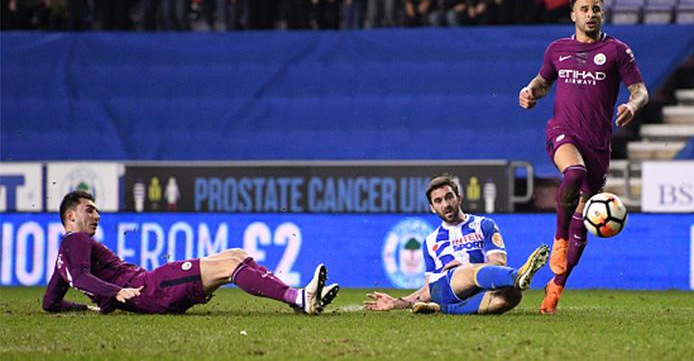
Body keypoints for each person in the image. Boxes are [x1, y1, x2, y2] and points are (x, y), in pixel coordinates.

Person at [518, 0, 649, 315]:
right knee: (573, 173)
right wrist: (529, 92)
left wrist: (632, 106)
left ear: (602, 13)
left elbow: (640, 91)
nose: (591, 14)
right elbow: (542, 82)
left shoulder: (617, 51)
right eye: (585, 9)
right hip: (563, 132)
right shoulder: (557, 50)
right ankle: (558, 240)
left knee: (584, 216)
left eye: (596, 9)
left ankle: (557, 286)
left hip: (598, 145)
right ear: (573, 15)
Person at [43, 190, 339, 315]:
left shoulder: (63, 256)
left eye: (96, 209)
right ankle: (300, 298)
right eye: (88, 210)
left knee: (236, 254)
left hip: (149, 288)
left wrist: (88, 307)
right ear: (70, 217)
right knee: (229, 267)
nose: (97, 215)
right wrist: (117, 292)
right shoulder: (76, 240)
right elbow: (81, 278)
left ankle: (297, 298)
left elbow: (50, 302)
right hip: (149, 288)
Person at [363, 175, 550, 315]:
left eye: (449, 197)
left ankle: (444, 310)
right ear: (432, 208)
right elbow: (428, 289)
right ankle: (518, 275)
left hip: (476, 289)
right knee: (468, 271)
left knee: (512, 296)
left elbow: (498, 263)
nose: (445, 204)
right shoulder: (430, 241)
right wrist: (396, 303)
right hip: (444, 287)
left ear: (459, 198)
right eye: (438, 201)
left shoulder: (484, 225)